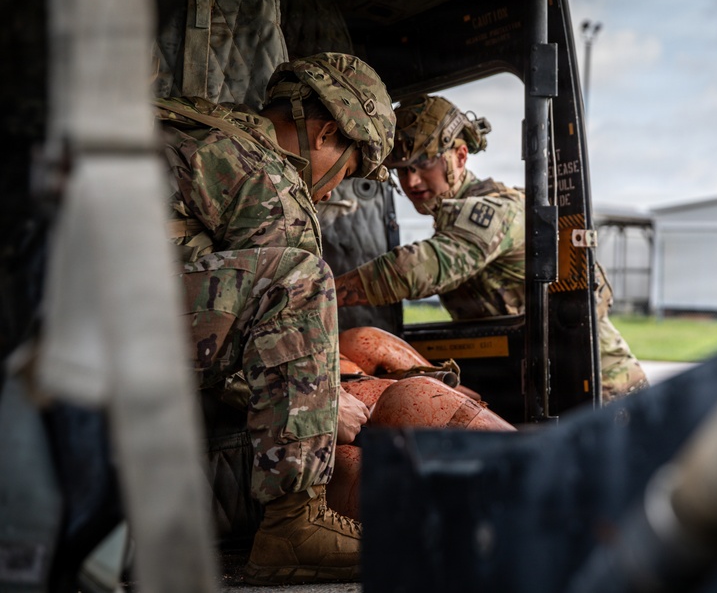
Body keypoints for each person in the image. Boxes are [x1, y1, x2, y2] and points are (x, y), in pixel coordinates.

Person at [156, 52, 394, 585]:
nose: (332, 191)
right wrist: (321, 405)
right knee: (301, 278)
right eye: (347, 171)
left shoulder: (200, 128)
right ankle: (295, 523)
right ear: (327, 132)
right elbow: (276, 325)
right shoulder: (273, 183)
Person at [334, 95, 649, 402]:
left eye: (424, 163)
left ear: (460, 156)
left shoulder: (496, 210)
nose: (412, 181)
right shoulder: (451, 219)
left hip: (603, 386)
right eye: (402, 169)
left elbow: (419, 269)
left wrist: (324, 291)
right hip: (546, 378)